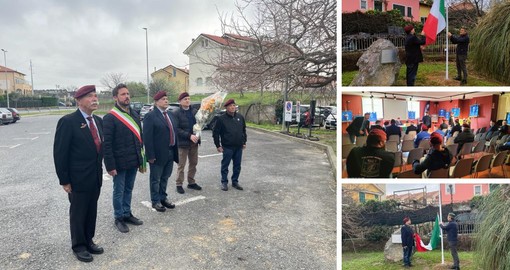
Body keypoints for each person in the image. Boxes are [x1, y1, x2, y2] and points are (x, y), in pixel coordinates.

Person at [53, 85, 104, 262]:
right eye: (90, 96)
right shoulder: (68, 122)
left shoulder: (98, 121)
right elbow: (60, 154)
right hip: (78, 180)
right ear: (79, 100)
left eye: (95, 95)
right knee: (78, 213)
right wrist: (64, 180)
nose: (94, 99)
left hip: (95, 177)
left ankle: (89, 240)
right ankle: (79, 246)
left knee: (91, 211)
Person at [102, 84, 144, 233]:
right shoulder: (109, 118)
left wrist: (141, 161)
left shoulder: (134, 114)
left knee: (129, 189)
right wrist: (110, 166)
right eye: (123, 94)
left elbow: (139, 139)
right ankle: (118, 217)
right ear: (115, 97)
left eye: (128, 94)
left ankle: (127, 213)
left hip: (133, 160)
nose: (127, 96)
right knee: (118, 191)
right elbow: (106, 145)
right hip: (119, 163)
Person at [143, 91, 179, 212]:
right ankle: (155, 201)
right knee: (156, 179)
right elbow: (147, 138)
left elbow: (175, 132)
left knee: (165, 177)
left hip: (170, 151)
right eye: (163, 99)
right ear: (156, 101)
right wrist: (150, 155)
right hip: (157, 154)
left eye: (167, 98)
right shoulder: (151, 116)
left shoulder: (171, 115)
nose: (166, 101)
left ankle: (163, 197)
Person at [213, 99, 247, 191]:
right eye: (231, 106)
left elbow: (243, 130)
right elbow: (215, 133)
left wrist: (244, 142)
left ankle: (235, 181)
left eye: (234, 105)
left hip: (238, 147)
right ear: (226, 108)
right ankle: (224, 182)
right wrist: (218, 145)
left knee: (237, 165)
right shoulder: (221, 119)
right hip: (227, 147)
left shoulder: (240, 117)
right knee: (225, 165)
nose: (233, 107)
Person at [173, 92, 202, 194]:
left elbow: (199, 124)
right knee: (181, 164)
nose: (187, 101)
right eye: (185, 99)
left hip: (194, 142)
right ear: (180, 101)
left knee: (194, 163)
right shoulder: (176, 113)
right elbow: (176, 129)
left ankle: (191, 182)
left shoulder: (194, 111)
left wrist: (198, 134)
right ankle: (179, 184)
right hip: (183, 143)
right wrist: (189, 135)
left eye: (189, 99)